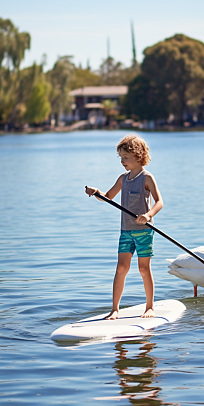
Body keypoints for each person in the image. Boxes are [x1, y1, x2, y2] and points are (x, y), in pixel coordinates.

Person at [85, 134, 163, 319]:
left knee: (144, 269)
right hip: (126, 232)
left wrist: (148, 215)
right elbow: (108, 197)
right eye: (120, 158)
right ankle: (114, 310)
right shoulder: (123, 178)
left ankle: (149, 307)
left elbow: (159, 202)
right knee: (121, 268)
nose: (122, 161)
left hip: (144, 231)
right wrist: (96, 192)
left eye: (125, 157)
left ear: (139, 156)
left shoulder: (147, 178)